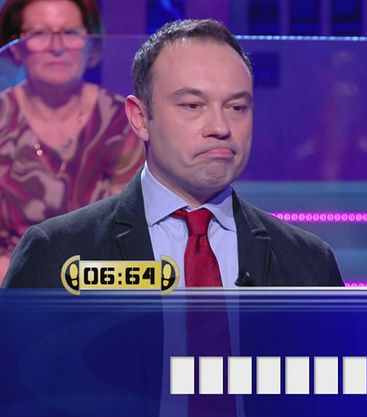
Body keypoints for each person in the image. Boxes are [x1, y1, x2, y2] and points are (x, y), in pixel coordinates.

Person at [2, 19, 344, 288]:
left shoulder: (310, 263)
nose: (220, 127)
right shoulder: (58, 253)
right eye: (193, 105)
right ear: (140, 118)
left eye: (237, 107)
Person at [0, 0, 145, 283]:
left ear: (92, 44)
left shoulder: (124, 121)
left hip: (100, 285)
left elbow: (130, 232)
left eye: (70, 33)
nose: (57, 47)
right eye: (39, 33)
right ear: (16, 47)